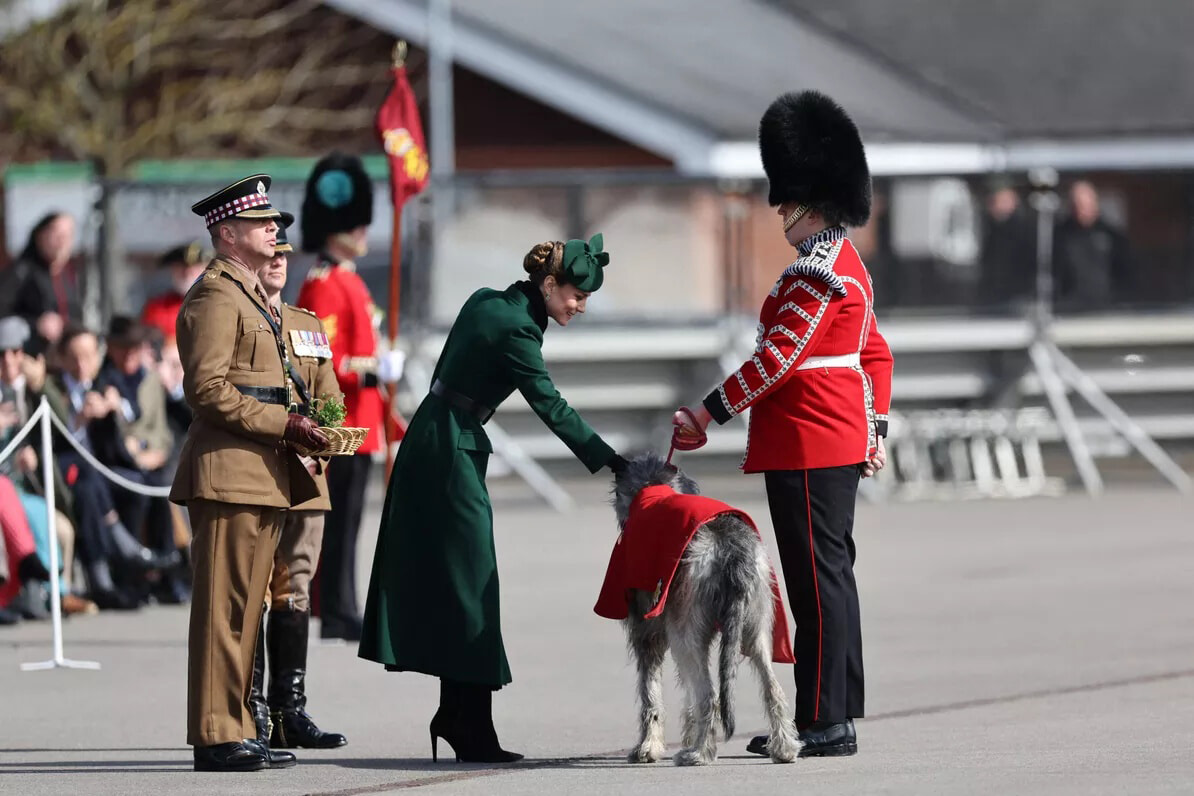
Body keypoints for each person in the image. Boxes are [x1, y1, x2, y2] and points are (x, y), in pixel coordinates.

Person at [672, 91, 892, 759]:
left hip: (806, 443)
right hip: (837, 440)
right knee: (833, 577)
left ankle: (824, 719)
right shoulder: (849, 265)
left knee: (813, 582)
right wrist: (873, 431)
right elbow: (876, 355)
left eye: (785, 206)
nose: (780, 216)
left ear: (809, 203)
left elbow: (775, 362)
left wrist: (706, 411)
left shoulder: (814, 274)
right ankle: (837, 709)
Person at [359, 233, 627, 764]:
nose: (579, 306)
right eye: (575, 295)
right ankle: (469, 723)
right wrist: (617, 463)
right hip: (449, 451)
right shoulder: (519, 329)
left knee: (460, 584)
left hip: (437, 440)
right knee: (473, 583)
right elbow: (550, 405)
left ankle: (460, 714)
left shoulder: (488, 299)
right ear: (548, 285)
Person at [172, 174, 327, 773]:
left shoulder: (250, 296)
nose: (274, 228)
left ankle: (238, 727)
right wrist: (285, 425)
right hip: (229, 473)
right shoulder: (216, 296)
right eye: (261, 221)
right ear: (228, 233)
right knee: (224, 609)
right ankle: (216, 734)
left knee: (244, 612)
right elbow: (207, 389)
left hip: (259, 474)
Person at [244, 216, 348, 751]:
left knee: (297, 586)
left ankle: (291, 708)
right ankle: (255, 709)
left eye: (286, 252)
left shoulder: (307, 324)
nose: (280, 259)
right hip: (257, 469)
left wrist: (326, 431)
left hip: (305, 473)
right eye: (272, 252)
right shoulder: (242, 315)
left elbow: (330, 395)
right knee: (256, 590)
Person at [295, 153, 402, 642]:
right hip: (342, 423)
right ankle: (335, 609)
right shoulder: (323, 286)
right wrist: (372, 370)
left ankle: (341, 604)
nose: (362, 231)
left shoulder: (350, 280)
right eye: (354, 223)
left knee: (352, 523)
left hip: (364, 421)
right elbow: (321, 360)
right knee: (336, 525)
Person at [0, 212, 81, 347]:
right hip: (28, 352)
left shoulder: (70, 274)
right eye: (56, 233)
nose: (63, 240)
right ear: (40, 236)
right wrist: (35, 323)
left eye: (68, 235)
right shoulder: (21, 271)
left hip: (64, 355)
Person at [1052, 180, 1132, 311]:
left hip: (1106, 307)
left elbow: (1125, 273)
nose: (1081, 209)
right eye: (1077, 204)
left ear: (1095, 203)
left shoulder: (1112, 236)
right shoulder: (1060, 236)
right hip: (1069, 308)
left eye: (1085, 204)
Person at [142, 242, 212, 342]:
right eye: (181, 267)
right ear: (172, 270)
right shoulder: (157, 308)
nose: (187, 273)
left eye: (195, 267)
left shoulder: (222, 303)